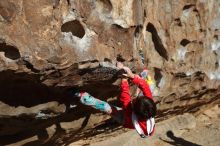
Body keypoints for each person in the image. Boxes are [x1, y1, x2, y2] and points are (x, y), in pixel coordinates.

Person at [74, 63, 157, 138]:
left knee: (107, 108)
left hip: (125, 119)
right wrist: (131, 76)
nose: (135, 99)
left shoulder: (129, 112)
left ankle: (84, 98)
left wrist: (124, 79)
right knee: (147, 87)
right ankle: (141, 77)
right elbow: (145, 87)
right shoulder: (149, 105)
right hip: (138, 115)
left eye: (135, 100)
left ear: (133, 108)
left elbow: (125, 98)